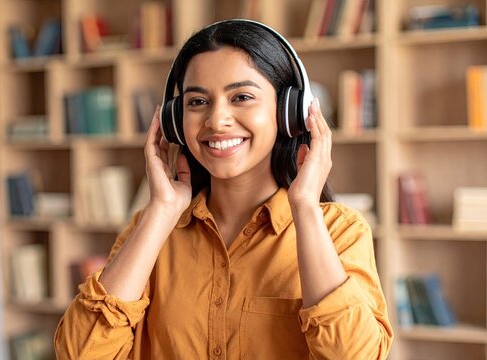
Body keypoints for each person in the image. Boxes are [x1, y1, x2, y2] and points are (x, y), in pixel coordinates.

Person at [54, 20, 393, 359]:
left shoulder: (340, 231)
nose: (217, 120)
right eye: (197, 101)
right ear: (175, 121)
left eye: (241, 97)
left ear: (289, 112)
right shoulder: (152, 231)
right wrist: (161, 211)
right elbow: (79, 354)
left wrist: (304, 206)